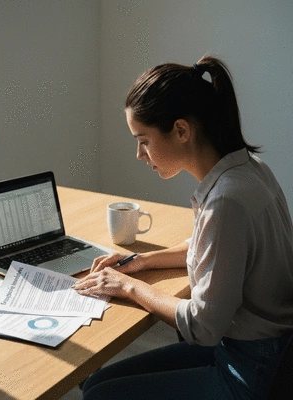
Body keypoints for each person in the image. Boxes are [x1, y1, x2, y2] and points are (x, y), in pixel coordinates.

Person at [72, 55, 293, 399]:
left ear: (181, 130)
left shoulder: (226, 201)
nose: (139, 154)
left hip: (251, 369)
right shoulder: (249, 170)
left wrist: (129, 287)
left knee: (100, 395)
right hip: (261, 350)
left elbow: (202, 327)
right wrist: (142, 261)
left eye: (143, 140)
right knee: (96, 383)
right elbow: (214, 248)